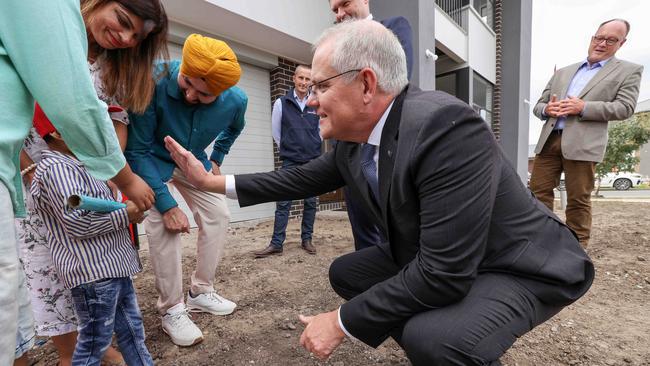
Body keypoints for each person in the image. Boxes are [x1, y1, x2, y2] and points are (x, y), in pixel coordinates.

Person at [164, 20, 595, 365]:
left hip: (516, 264)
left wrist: (341, 323)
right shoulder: (357, 140)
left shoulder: (445, 128)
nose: (310, 100)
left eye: (321, 87)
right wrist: (208, 182)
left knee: (435, 340)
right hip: (447, 257)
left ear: (367, 85)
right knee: (348, 274)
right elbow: (296, 179)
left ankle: (450, 343)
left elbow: (444, 273)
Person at [0, 1, 155, 365]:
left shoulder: (108, 68)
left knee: (100, 280)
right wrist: (125, 194)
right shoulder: (45, 32)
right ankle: (74, 353)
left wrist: (108, 172)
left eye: (137, 36)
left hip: (95, 186)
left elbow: (113, 121)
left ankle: (105, 350)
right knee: (47, 279)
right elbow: (60, 114)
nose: (128, 38)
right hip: (42, 190)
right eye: (123, 21)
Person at [125, 33, 246, 347]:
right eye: (186, 83)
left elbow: (234, 127)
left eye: (203, 93)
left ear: (221, 92)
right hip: (151, 158)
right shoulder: (153, 79)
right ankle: (172, 309)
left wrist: (216, 158)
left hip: (193, 160)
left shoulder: (236, 100)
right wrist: (167, 205)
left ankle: (200, 292)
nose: (191, 94)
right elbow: (136, 151)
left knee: (218, 213)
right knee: (164, 227)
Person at [30, 113, 153, 365]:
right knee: (94, 343)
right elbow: (78, 222)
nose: (96, 132)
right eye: (88, 126)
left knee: (132, 331)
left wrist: (128, 214)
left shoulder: (82, 164)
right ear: (58, 133)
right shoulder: (56, 169)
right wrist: (125, 214)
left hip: (113, 266)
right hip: (93, 275)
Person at [530, 19, 643, 248]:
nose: (602, 43)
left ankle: (575, 250)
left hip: (584, 145)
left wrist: (583, 107)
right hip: (550, 139)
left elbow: (625, 108)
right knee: (537, 195)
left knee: (577, 200)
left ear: (621, 43)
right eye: (599, 37)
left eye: (611, 40)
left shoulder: (629, 71)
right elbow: (539, 105)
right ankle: (540, 242)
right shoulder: (563, 72)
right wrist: (546, 109)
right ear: (593, 38)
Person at [329, 0, 414, 250]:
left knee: (394, 230)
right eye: (334, 10)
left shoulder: (393, 29)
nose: (340, 13)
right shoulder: (333, 47)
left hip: (384, 148)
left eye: (345, 4)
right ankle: (368, 286)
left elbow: (394, 86)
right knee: (362, 230)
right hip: (350, 150)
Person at [253, 65, 321, 258]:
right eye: (301, 78)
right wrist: (290, 147)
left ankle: (306, 239)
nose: (304, 82)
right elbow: (277, 133)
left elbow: (321, 131)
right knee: (283, 202)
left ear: (311, 82)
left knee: (310, 202)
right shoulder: (281, 103)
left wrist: (312, 144)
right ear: (294, 78)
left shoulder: (315, 103)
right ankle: (276, 243)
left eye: (308, 79)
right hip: (290, 161)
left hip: (312, 161)